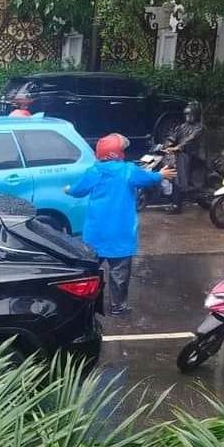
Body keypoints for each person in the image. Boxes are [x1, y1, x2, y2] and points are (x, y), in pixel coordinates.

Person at [64, 133, 175, 317]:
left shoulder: (94, 171)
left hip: (96, 233)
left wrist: (68, 189)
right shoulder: (128, 171)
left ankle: (86, 306)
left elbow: (78, 190)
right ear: (116, 153)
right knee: (119, 274)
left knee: (90, 272)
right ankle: (118, 307)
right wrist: (160, 174)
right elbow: (147, 178)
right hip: (120, 233)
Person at [164, 101, 205, 214]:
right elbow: (173, 136)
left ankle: (177, 205)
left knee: (179, 177)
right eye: (186, 115)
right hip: (181, 153)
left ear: (196, 115)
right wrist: (167, 144)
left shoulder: (199, 128)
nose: (188, 117)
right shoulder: (182, 126)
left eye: (190, 115)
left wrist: (178, 147)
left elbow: (190, 139)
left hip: (193, 155)